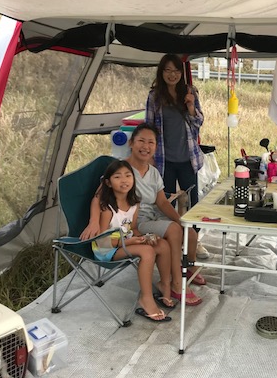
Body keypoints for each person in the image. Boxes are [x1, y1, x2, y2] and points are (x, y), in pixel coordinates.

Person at [83, 123, 204, 305]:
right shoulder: (122, 169)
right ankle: (177, 285)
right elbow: (98, 197)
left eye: (151, 142)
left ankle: (188, 268)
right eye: (141, 141)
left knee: (190, 232)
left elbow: (162, 202)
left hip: (154, 216)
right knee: (174, 230)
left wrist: (181, 220)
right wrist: (93, 221)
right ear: (131, 143)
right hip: (136, 221)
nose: (146, 146)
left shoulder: (153, 172)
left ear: (156, 147)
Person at [90, 159, 173, 323]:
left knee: (162, 244)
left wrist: (146, 237)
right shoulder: (107, 208)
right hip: (106, 249)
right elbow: (102, 240)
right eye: (117, 177)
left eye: (128, 175)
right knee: (147, 251)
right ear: (108, 183)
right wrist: (132, 242)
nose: (124, 180)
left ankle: (165, 285)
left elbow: (133, 229)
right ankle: (146, 298)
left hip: (126, 242)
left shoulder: (134, 203)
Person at [145, 53, 210, 261]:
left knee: (192, 203)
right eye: (167, 70)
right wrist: (150, 155)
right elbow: (149, 127)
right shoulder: (155, 96)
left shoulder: (189, 92)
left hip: (188, 158)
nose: (172, 75)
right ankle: (170, 243)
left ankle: (194, 242)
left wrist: (190, 106)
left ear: (181, 73)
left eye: (176, 71)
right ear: (161, 72)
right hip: (164, 160)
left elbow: (199, 122)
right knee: (166, 202)